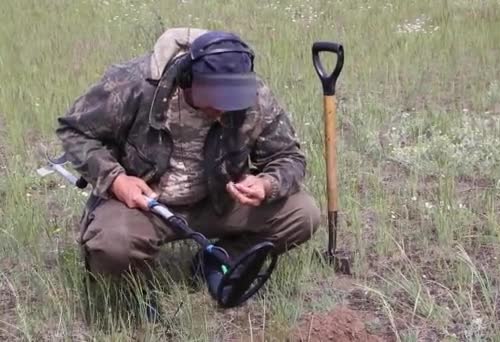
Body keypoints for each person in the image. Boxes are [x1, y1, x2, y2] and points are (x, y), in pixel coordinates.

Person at [55, 27, 321, 301]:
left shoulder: (253, 94)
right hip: (146, 205)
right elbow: (73, 132)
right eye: (217, 101)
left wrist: (267, 184)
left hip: (220, 200)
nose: (225, 110)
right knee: (113, 245)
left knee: (302, 215)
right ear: (188, 79)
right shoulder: (135, 83)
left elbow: (289, 156)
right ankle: (136, 291)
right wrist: (116, 179)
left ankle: (218, 260)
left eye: (232, 101)